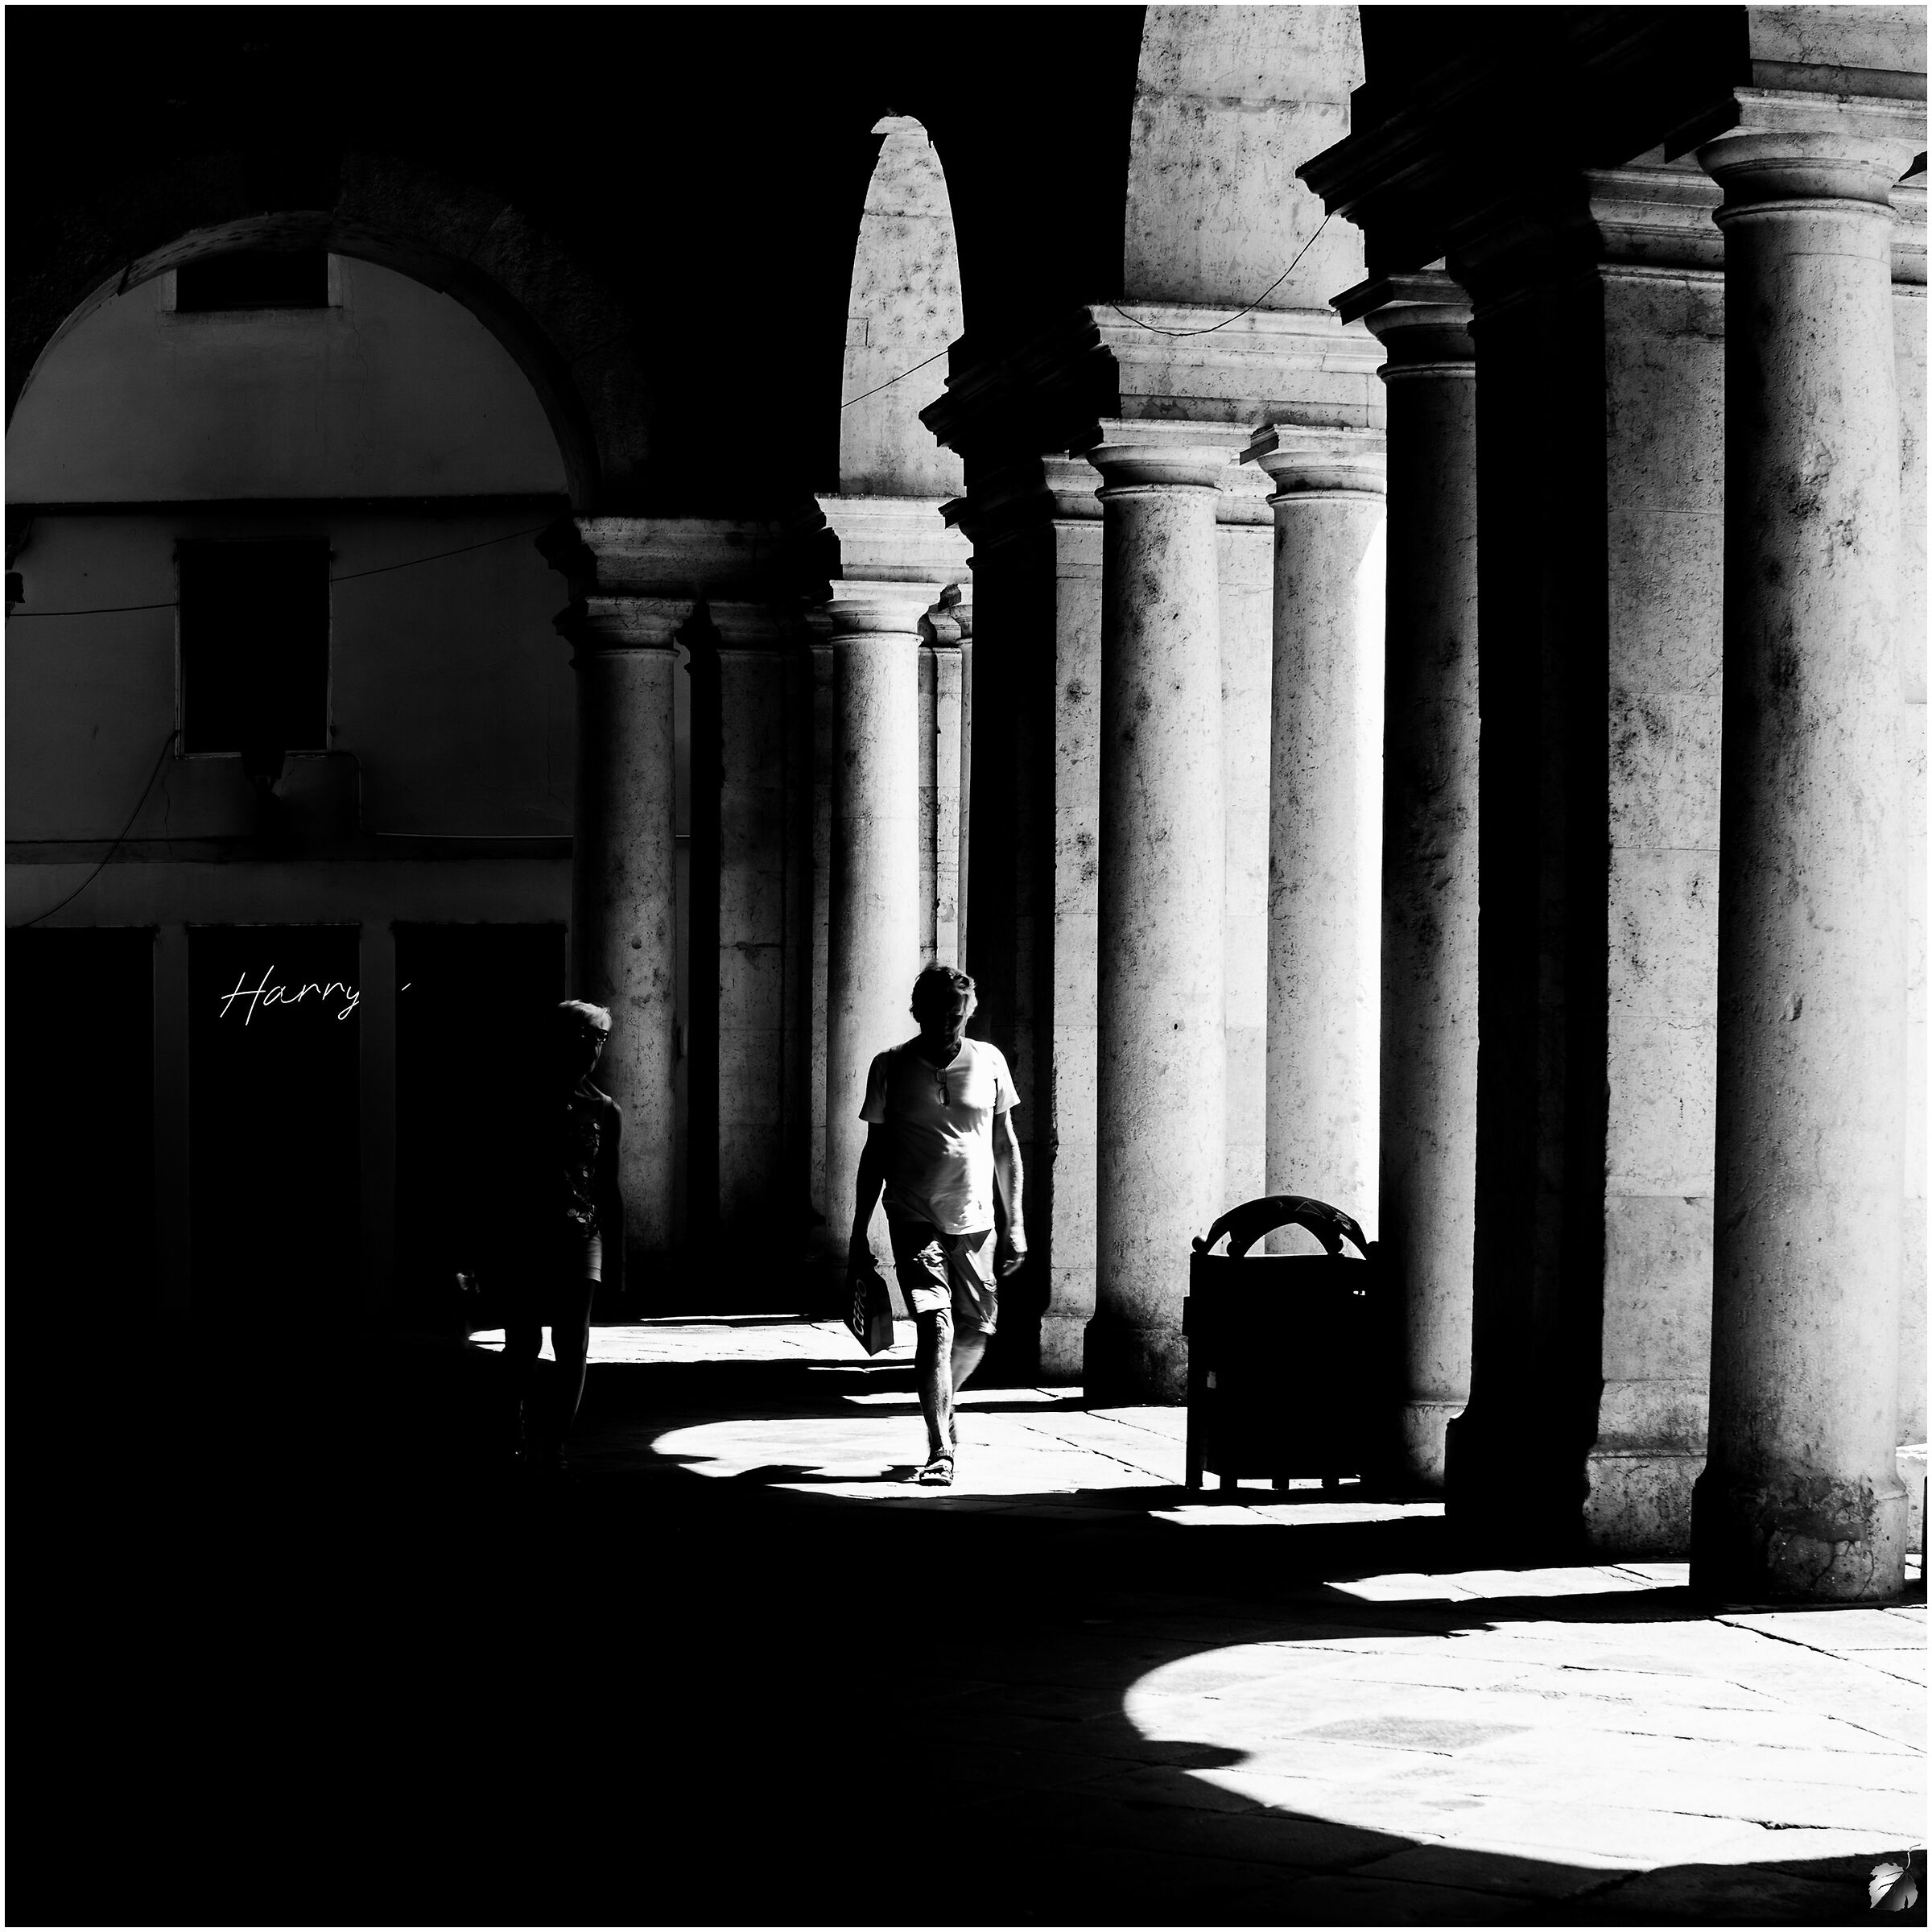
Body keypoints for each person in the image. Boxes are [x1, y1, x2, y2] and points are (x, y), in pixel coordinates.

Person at [848, 964, 1026, 1486]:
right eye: (939, 1013)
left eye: (958, 1013)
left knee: (977, 1328)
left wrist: (1015, 1224)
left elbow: (1005, 1145)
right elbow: (873, 1154)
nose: (949, 1023)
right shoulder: (890, 1067)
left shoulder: (990, 1061)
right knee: (936, 1326)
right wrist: (859, 1233)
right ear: (917, 1012)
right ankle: (941, 1449)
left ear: (969, 1011)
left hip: (976, 1222)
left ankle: (941, 1399)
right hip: (912, 1216)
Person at [498, 999, 625, 1471]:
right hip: (526, 1233)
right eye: (586, 1035)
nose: (594, 1046)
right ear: (561, 1038)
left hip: (581, 1235)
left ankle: (554, 1449)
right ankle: (512, 1437)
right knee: (525, 1344)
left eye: (601, 1038)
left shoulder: (604, 1109)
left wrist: (618, 1262)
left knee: (573, 1347)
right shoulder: (523, 1098)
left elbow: (609, 1187)